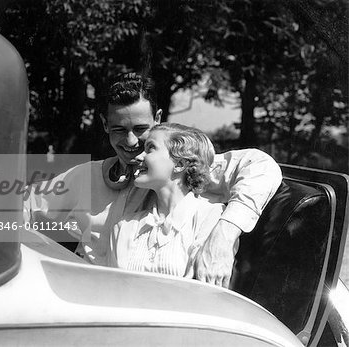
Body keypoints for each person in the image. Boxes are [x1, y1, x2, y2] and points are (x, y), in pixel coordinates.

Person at [24, 73, 282, 288]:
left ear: (157, 119)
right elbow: (21, 206)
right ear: (104, 124)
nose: (131, 142)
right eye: (118, 130)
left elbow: (261, 166)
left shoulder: (183, 166)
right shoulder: (87, 176)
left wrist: (223, 236)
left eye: (140, 130)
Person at [108, 123, 225, 279]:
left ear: (179, 164)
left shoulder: (211, 217)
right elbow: (111, 289)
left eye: (150, 149)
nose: (138, 157)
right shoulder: (125, 226)